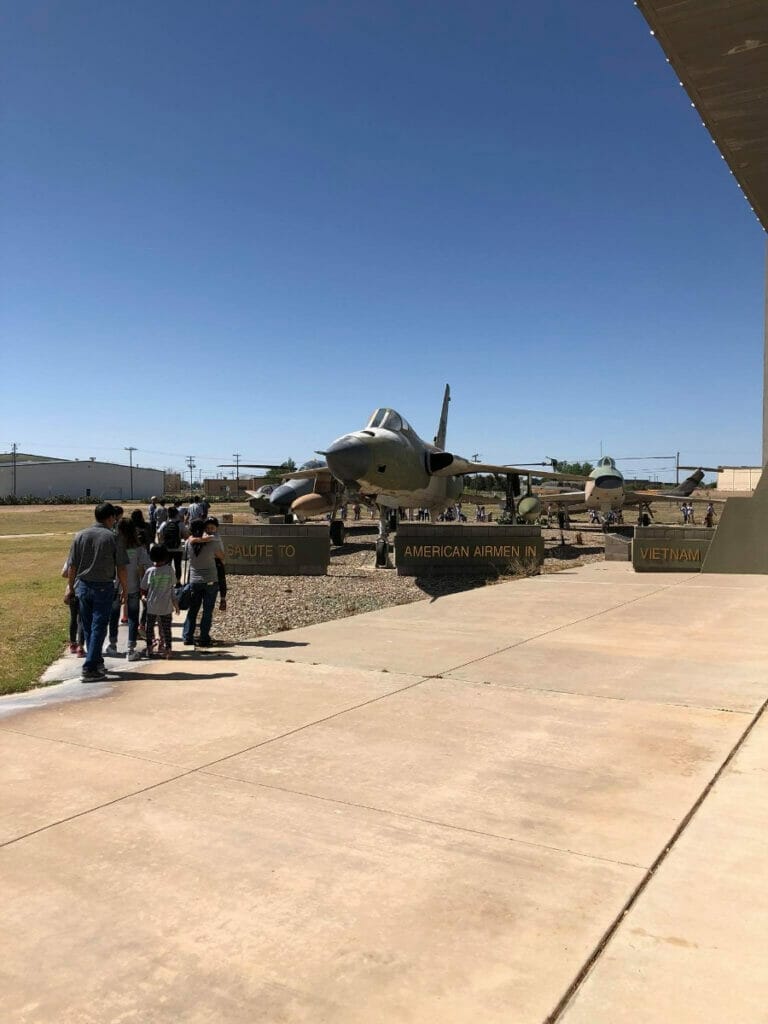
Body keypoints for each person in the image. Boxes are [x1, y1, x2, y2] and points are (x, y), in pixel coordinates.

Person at [65, 502, 128, 682]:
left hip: (83, 586)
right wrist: (125, 587)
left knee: (88, 625)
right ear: (111, 518)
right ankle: (90, 668)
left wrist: (71, 587)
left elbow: (72, 566)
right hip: (103, 587)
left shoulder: (80, 535)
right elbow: (121, 567)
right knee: (99, 626)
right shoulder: (114, 537)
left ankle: (97, 660)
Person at [113, 518, 152, 661]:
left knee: (113, 616)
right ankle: (130, 648)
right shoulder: (138, 549)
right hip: (133, 586)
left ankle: (112, 644)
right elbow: (146, 566)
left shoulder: (114, 546)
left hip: (115, 586)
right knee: (133, 618)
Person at [182, 519, 224, 647]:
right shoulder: (212, 543)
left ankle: (187, 636)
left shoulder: (189, 543)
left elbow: (191, 540)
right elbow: (221, 556)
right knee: (207, 611)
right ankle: (204, 638)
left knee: (193, 610)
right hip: (211, 579)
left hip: (195, 580)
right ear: (204, 529)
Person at [140, 544, 179, 658]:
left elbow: (143, 588)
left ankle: (149, 648)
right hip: (166, 606)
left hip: (151, 605)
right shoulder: (169, 570)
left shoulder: (150, 571)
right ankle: (168, 650)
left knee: (149, 628)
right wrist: (175, 604)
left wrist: (143, 597)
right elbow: (172, 587)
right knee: (167, 629)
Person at [157, 505, 187, 586]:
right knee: (178, 566)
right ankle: (177, 582)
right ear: (177, 514)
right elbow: (185, 536)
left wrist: (162, 544)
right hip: (178, 549)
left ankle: (167, 582)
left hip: (167, 549)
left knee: (167, 566)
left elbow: (160, 535)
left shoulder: (164, 524)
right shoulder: (180, 524)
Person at [61, 557, 85, 655]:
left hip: (73, 590)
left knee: (73, 617)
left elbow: (63, 573)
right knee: (81, 619)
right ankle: (80, 646)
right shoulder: (87, 557)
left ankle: (72, 643)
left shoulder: (71, 558)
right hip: (83, 590)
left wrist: (72, 575)